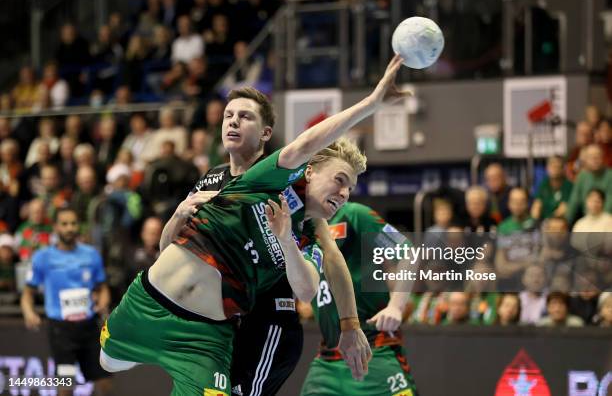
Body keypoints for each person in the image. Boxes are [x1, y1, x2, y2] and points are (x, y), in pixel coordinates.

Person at [100, 56, 409, 395]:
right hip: (152, 301)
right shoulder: (219, 177)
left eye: (244, 116)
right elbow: (165, 249)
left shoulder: (292, 201)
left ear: (266, 133)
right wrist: (178, 215)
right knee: (107, 362)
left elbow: (320, 273)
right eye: (228, 116)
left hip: (230, 328)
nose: (232, 122)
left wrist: (350, 324)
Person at [300, 201, 419, 396]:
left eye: (349, 186)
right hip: (329, 358)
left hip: (375, 348)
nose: (344, 192)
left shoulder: (355, 215)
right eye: (340, 181)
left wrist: (396, 306)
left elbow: (409, 253)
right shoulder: (300, 224)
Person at [20, 207, 112, 396]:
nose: (69, 228)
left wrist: (102, 303)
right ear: (55, 227)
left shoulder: (91, 255)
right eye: (64, 224)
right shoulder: (42, 258)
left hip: (89, 327)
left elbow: (103, 288)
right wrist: (29, 312)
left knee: (104, 383)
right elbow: (27, 293)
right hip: (60, 331)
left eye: (73, 223)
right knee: (66, 385)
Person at [531, 156, 573, 221]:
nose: (554, 168)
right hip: (543, 223)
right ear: (547, 168)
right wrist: (534, 220)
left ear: (562, 169)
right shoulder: (544, 184)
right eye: (551, 165)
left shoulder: (568, 185)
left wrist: (549, 221)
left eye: (557, 166)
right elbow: (537, 205)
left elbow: (563, 208)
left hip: (560, 222)